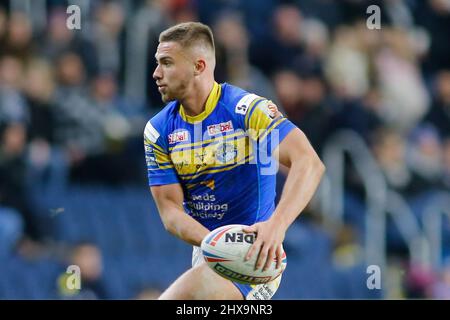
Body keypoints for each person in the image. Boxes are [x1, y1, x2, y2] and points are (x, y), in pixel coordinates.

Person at [144, 22, 325, 300]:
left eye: (166, 63)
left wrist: (276, 226)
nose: (156, 73)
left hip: (257, 253)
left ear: (199, 66)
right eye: (157, 63)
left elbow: (309, 163)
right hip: (212, 254)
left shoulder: (246, 110)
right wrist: (216, 244)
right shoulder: (158, 130)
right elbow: (170, 212)